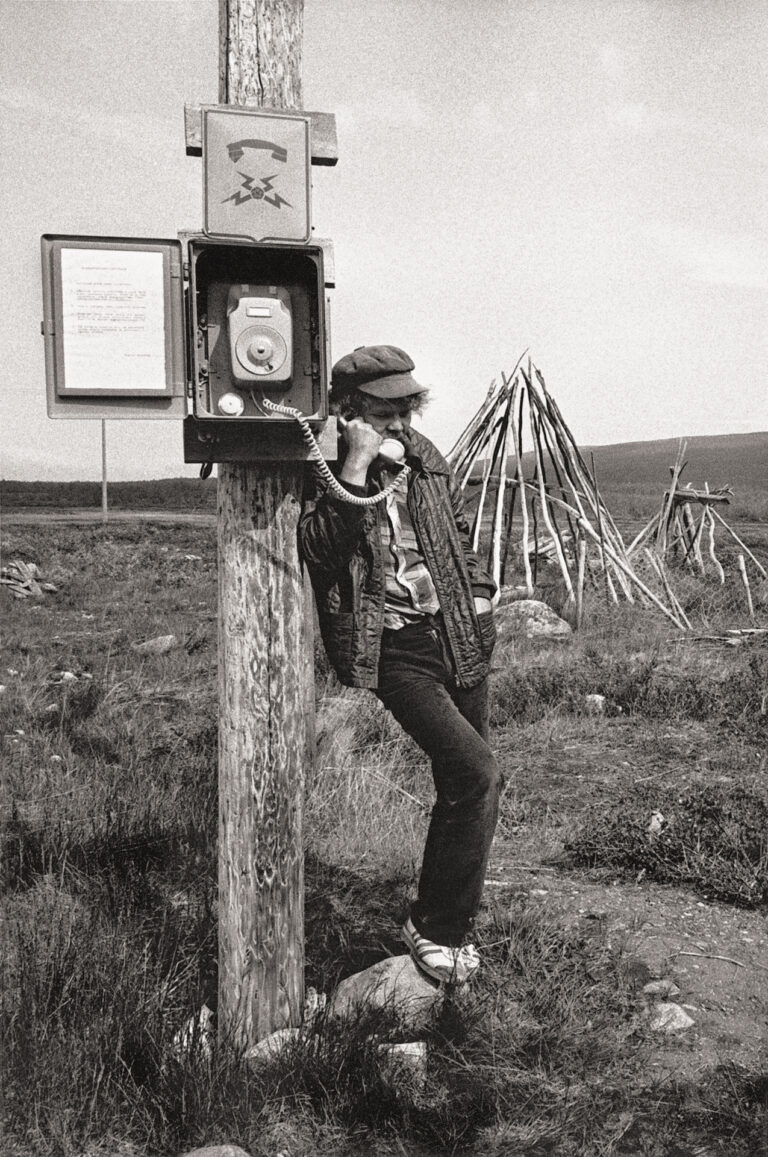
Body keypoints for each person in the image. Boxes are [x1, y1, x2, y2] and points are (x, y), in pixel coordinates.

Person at [299, 345, 501, 983]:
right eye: (386, 411)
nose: (399, 423)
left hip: (459, 631)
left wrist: (479, 591)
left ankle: (442, 920)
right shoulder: (320, 461)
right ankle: (437, 929)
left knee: (465, 782)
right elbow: (320, 553)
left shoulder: (423, 455)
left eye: (407, 407)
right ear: (350, 408)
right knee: (478, 770)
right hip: (393, 644)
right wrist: (355, 467)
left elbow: (455, 529)